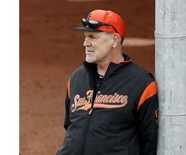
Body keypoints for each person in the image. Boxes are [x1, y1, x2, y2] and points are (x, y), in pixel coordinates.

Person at [56, 9, 158, 155]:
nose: (86, 43)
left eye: (93, 37)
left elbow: (150, 142)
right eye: (85, 37)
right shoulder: (77, 78)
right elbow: (71, 126)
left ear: (115, 40)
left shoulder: (142, 84)